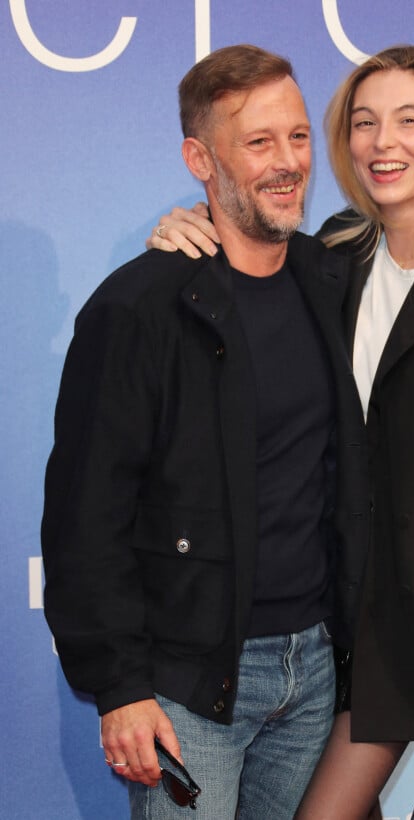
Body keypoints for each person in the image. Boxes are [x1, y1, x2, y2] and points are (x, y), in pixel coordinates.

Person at [147, 45, 414, 819]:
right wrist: (187, 223)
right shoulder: (330, 255)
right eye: (364, 123)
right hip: (315, 623)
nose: (382, 143)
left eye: (408, 121)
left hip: (403, 638)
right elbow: (245, 248)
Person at [41, 44, 371, 820]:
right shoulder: (137, 312)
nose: (288, 162)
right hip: (191, 683)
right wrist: (120, 688)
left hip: (317, 671)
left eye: (296, 137)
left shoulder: (333, 280)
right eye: (258, 143)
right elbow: (86, 518)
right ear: (200, 158)